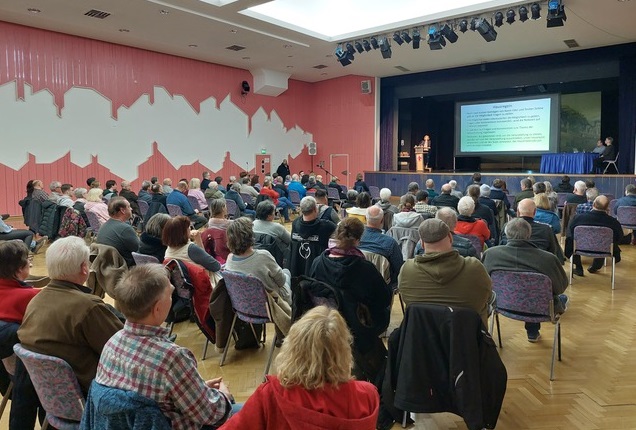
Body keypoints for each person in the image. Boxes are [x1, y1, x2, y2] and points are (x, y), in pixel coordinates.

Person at [95, 264, 234, 428]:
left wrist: (198, 389)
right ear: (158, 309)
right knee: (249, 411)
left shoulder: (111, 343)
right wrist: (224, 395)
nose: (173, 294)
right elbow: (211, 414)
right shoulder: (171, 358)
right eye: (170, 295)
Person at [220, 306, 379, 430]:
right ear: (345, 349)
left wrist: (224, 397)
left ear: (292, 347)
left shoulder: (271, 394)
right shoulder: (367, 397)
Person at [18, 236, 124, 395]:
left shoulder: (35, 301)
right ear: (84, 268)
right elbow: (123, 352)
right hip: (94, 395)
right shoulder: (88, 307)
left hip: (52, 398)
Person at [309, 218, 392, 382]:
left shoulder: (318, 262)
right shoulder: (365, 268)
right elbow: (384, 298)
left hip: (325, 326)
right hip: (360, 330)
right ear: (359, 240)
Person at [482, 218, 569, 342]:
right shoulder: (548, 259)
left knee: (526, 290)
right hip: (542, 309)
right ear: (529, 235)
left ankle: (532, 331)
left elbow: (485, 281)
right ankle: (532, 332)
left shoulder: (491, 254)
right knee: (551, 296)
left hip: (502, 304)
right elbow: (561, 287)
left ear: (506, 233)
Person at [397, 218, 492, 327]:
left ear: (422, 244)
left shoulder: (407, 269)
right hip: (467, 338)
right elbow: (487, 295)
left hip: (421, 339)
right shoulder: (475, 268)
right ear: (451, 238)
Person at [0, 241, 42, 429]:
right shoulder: (31, 297)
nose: (31, 265)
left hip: (8, 374)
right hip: (29, 375)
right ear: (18, 270)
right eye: (28, 262)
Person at [225, 217, 292, 305]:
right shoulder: (263, 256)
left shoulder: (229, 259)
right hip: (272, 303)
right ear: (251, 235)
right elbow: (281, 281)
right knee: (287, 272)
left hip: (245, 304)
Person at [566, 195, 623, 276]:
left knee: (571, 240)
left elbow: (570, 234)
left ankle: (578, 267)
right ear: (607, 208)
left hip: (580, 248)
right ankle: (596, 266)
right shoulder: (613, 222)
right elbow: (619, 237)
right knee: (605, 242)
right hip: (604, 249)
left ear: (593, 204)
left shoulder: (578, 218)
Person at [289, 196, 336, 277]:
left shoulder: (295, 223)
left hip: (297, 271)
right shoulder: (326, 226)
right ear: (315, 209)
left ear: (301, 209)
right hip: (318, 274)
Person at [359, 205, 403, 287]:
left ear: (365, 218)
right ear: (382, 220)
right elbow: (399, 269)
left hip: (355, 286)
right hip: (383, 290)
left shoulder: (353, 239)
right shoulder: (390, 243)